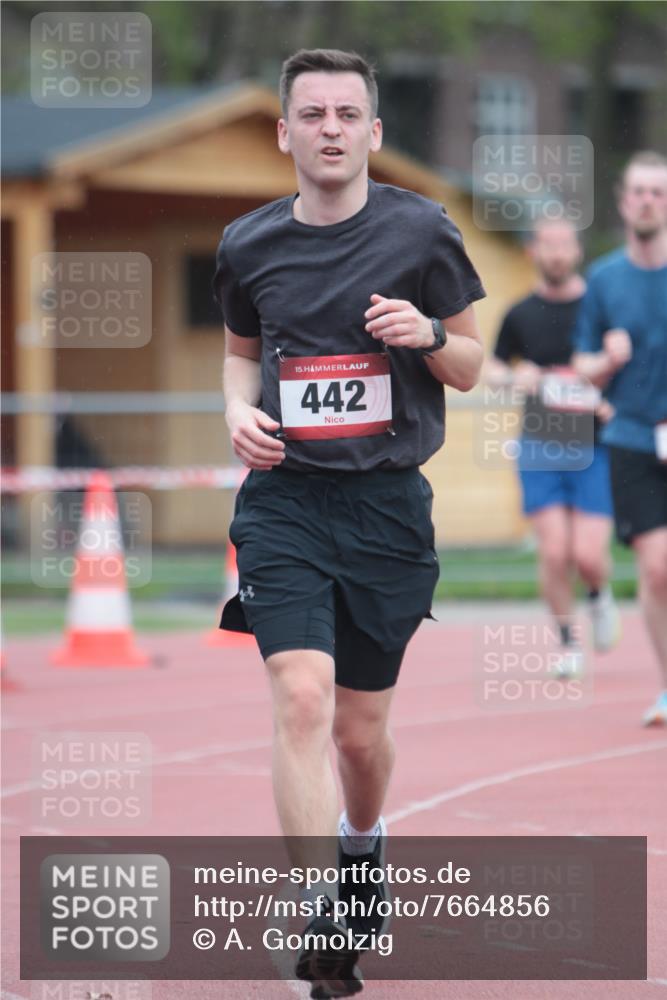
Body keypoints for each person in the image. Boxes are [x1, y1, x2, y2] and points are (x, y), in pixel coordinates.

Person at [213, 48, 485, 997]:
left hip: (386, 510)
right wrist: (236, 411)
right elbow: (241, 355)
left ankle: (362, 845)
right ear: (283, 132)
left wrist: (431, 336)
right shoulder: (247, 243)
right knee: (299, 698)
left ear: (372, 132)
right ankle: (318, 918)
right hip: (284, 501)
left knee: (360, 735)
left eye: (346, 113)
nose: (329, 128)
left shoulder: (421, 232)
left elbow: (472, 365)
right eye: (311, 113)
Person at [486, 219, 619, 679]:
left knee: (588, 555)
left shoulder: (599, 307)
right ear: (533, 253)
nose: (557, 254)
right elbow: (492, 367)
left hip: (596, 445)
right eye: (548, 245)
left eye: (565, 245)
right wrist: (512, 377)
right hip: (540, 442)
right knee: (554, 552)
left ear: (577, 251)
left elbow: (627, 366)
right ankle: (567, 642)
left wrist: (612, 402)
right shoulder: (521, 312)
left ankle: (599, 595)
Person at [573, 151, 667, 727]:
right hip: (632, 438)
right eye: (639, 192)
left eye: (658, 192)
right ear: (622, 200)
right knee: (657, 570)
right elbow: (580, 362)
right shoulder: (604, 279)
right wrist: (603, 362)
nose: (648, 201)